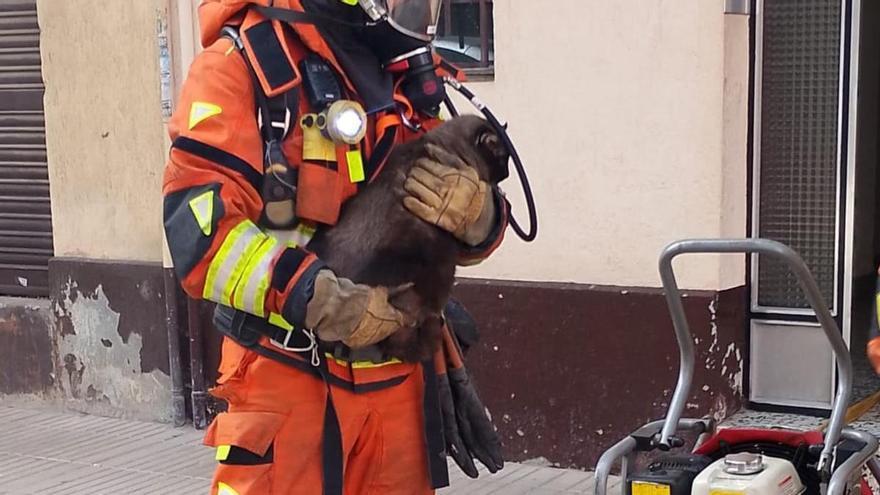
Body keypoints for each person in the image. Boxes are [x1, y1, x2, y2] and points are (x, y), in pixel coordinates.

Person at [162, 1, 509, 493]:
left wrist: (479, 216)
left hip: (398, 384)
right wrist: (317, 295)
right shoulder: (239, 66)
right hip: (288, 380)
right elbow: (200, 234)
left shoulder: (402, 69)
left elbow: (457, 235)